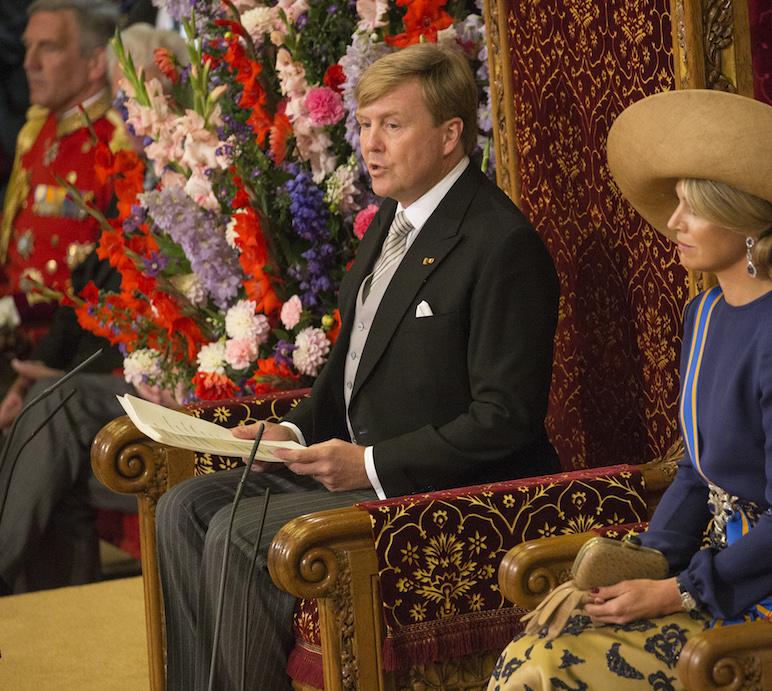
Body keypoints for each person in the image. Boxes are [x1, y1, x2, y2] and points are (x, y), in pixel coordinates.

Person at [155, 42, 561, 691]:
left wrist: (368, 464)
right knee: (183, 508)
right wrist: (287, 435)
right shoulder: (394, 219)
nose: (370, 143)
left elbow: (506, 420)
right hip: (356, 472)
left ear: (452, 134)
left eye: (391, 126)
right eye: (365, 124)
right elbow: (350, 362)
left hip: (443, 493)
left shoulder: (502, 245)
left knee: (233, 532)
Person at [490, 89, 772, 690]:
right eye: (676, 204)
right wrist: (650, 558)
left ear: (746, 219)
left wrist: (675, 590)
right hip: (713, 567)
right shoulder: (704, 313)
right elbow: (699, 473)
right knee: (538, 643)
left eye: (692, 207)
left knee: (550, 670)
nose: (673, 223)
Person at [0, 14, 192, 596]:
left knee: (49, 413)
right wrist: (39, 372)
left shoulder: (196, 187)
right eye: (122, 98)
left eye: (133, 97)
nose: (124, 115)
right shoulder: (145, 179)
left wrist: (51, 377)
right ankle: (52, 640)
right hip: (97, 371)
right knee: (45, 423)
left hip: (164, 388)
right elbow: (87, 288)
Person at [0, 0, 127, 379]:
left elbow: (102, 278)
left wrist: (12, 310)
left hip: (60, 351)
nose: (29, 62)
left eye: (49, 47)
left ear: (94, 63)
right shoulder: (38, 131)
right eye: (28, 46)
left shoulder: (117, 142)